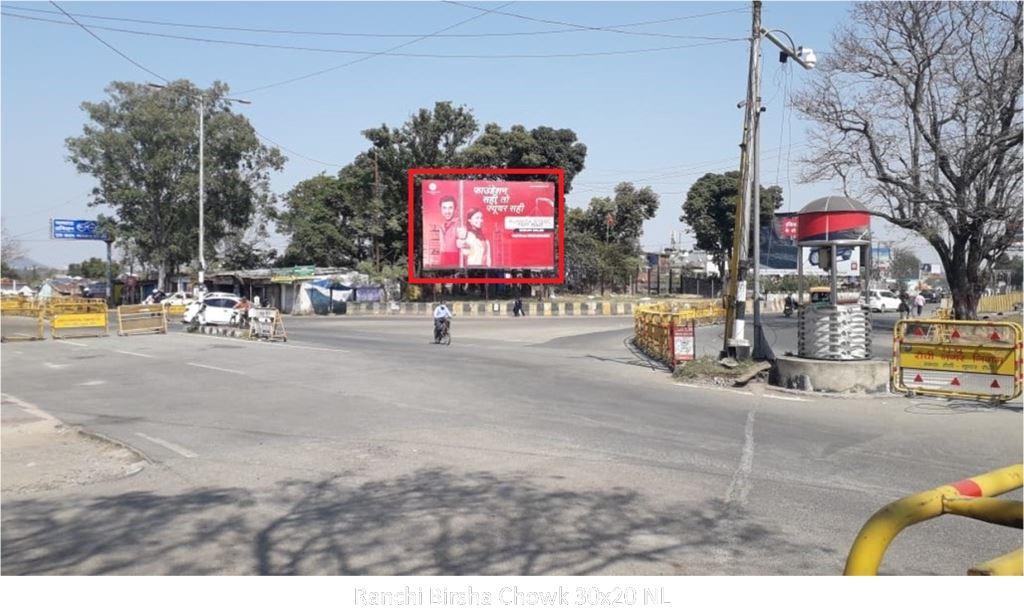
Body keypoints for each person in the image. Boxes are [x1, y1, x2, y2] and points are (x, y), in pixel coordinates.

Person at [435, 196, 461, 268]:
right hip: (443, 265)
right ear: (441, 209)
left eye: (450, 208)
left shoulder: (460, 224)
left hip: (455, 265)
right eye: (444, 208)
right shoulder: (442, 226)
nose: (447, 211)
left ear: (455, 209)